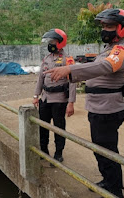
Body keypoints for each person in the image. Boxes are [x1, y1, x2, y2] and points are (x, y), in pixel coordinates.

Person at [44, 9, 124, 198]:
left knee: (108, 151)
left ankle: (115, 191)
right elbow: (98, 63)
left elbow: (104, 66)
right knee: (99, 148)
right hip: (98, 108)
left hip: (108, 110)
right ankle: (107, 181)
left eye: (109, 26)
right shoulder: (107, 50)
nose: (105, 30)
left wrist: (70, 68)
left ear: (121, 28)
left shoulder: (121, 51)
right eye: (104, 26)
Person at [33, 28, 76, 163]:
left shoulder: (67, 60)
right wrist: (36, 96)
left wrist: (71, 103)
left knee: (59, 128)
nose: (50, 44)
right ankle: (44, 150)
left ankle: (58, 153)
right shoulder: (46, 59)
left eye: (53, 41)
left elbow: (72, 82)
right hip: (45, 98)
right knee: (43, 126)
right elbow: (40, 78)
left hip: (59, 100)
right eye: (49, 41)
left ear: (60, 43)